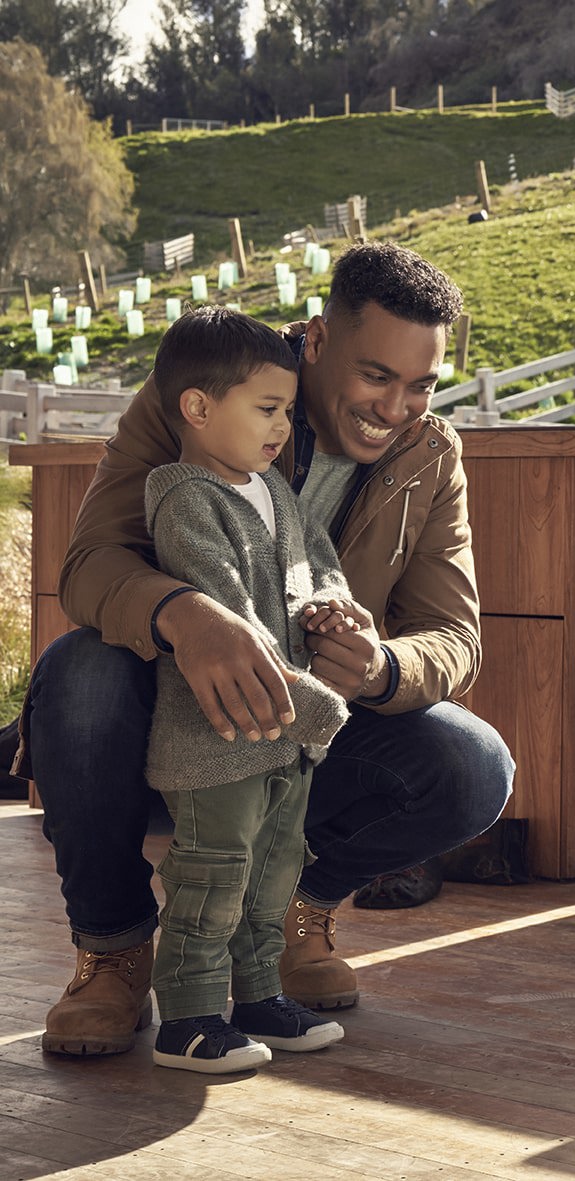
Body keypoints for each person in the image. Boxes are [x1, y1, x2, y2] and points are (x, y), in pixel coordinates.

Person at [24, 241, 515, 1057]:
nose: (397, 408)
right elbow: (90, 566)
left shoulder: (433, 456)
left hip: (310, 721)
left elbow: (454, 638)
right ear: (316, 341)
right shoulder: (209, 380)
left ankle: (294, 911)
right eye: (376, 376)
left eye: (421, 384)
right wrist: (187, 615)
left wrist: (382, 665)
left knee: (474, 765)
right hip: (175, 706)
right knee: (76, 676)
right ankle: (112, 951)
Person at [140, 306, 364, 1072]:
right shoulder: (183, 494)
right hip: (221, 735)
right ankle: (190, 1012)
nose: (281, 428)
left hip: (285, 735)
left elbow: (316, 565)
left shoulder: (275, 488)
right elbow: (225, 609)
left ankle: (259, 991)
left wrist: (332, 605)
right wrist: (311, 699)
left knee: (277, 862)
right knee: (214, 866)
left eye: (287, 413)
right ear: (198, 408)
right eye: (265, 410)